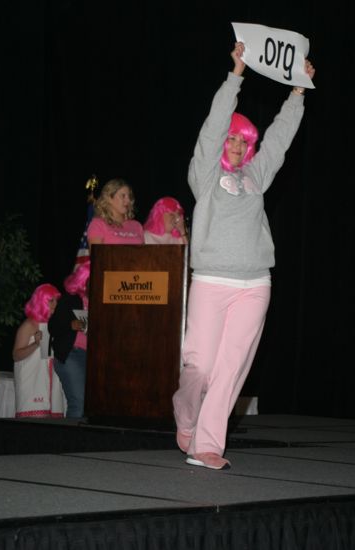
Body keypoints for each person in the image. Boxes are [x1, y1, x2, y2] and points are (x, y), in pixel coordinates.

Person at [172, 42, 315, 470]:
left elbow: (279, 142)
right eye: (232, 138)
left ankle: (208, 444)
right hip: (212, 280)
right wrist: (235, 75)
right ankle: (185, 415)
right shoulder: (205, 175)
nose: (235, 145)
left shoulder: (256, 175)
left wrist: (298, 94)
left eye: (243, 140)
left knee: (232, 368)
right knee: (198, 367)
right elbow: (212, 129)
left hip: (254, 284)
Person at [13, 283, 66, 418]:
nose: (54, 304)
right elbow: (16, 355)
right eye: (50, 300)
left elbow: (48, 356)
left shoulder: (50, 325)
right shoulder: (29, 325)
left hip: (47, 382)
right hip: (31, 382)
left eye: (55, 300)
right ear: (41, 300)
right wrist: (35, 345)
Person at [48, 261, 90, 419]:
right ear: (83, 279)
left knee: (88, 408)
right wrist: (70, 324)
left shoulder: (103, 302)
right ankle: (71, 442)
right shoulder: (70, 299)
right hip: (72, 354)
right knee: (78, 404)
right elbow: (53, 326)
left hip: (93, 359)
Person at [87, 178, 144, 249]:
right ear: (109, 198)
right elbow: (97, 257)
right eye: (123, 196)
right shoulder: (98, 224)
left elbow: (144, 256)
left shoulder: (137, 226)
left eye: (129, 196)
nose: (128, 200)